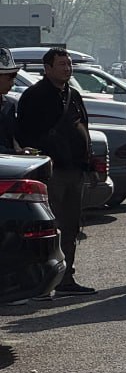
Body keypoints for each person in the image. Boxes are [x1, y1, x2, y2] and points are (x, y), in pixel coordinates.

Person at [15, 46, 95, 295]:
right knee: (49, 227)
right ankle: (43, 282)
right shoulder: (34, 96)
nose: (67, 68)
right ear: (47, 68)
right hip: (50, 173)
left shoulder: (73, 95)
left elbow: (84, 127)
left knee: (71, 227)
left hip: (75, 171)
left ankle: (66, 278)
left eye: (69, 64)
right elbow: (25, 134)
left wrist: (87, 162)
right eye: (62, 64)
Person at [0, 48, 22, 153]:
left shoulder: (9, 105)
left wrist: (21, 151)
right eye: (9, 78)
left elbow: (11, 139)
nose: (12, 83)